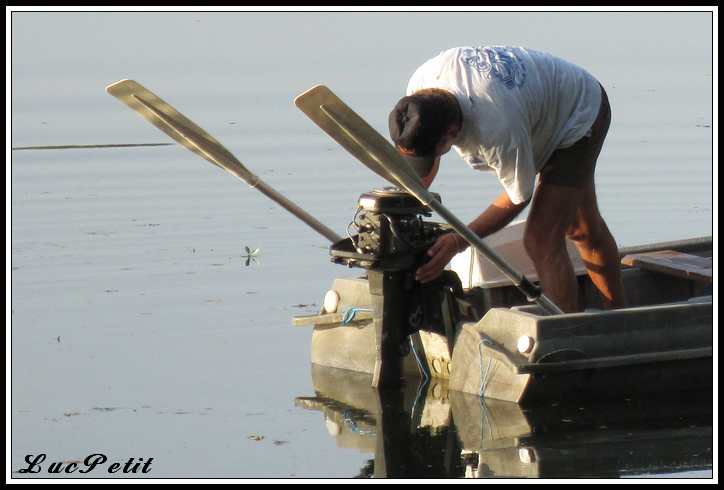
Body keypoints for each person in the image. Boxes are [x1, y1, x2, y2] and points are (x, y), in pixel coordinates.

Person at [388, 45, 625, 312]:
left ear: (453, 132)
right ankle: (618, 314)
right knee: (583, 228)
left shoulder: (496, 128)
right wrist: (405, 205)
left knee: (541, 237)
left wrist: (458, 240)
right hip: (534, 112)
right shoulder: (420, 88)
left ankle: (568, 332)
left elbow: (517, 197)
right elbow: (423, 158)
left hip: (578, 115)